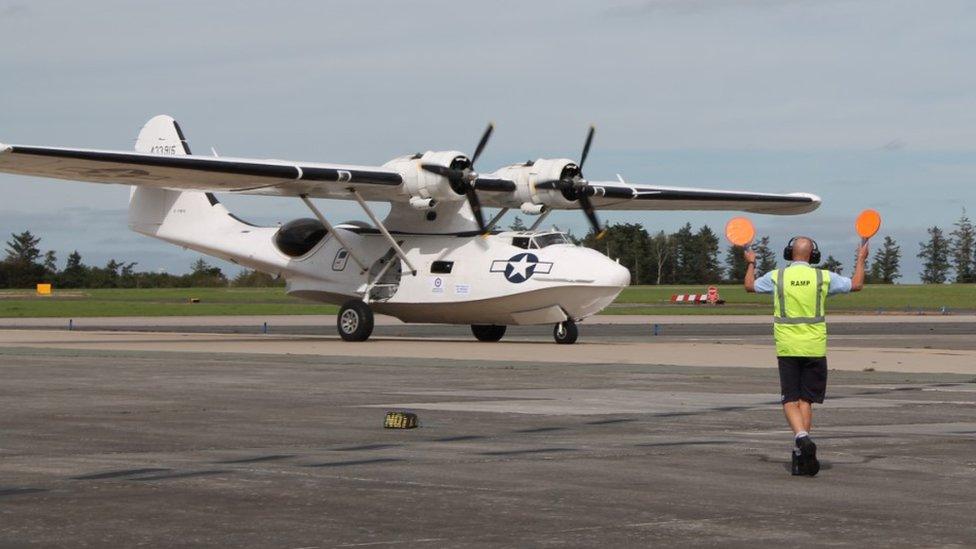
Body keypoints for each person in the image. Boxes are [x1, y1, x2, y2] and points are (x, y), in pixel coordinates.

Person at [744, 236, 868, 476]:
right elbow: (857, 284)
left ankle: (801, 438)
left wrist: (751, 263)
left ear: (790, 253)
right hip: (814, 346)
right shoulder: (823, 278)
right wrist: (861, 259)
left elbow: (749, 286)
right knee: (806, 401)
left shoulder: (777, 277)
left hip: (788, 346)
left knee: (790, 400)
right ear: (813, 256)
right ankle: (801, 455)